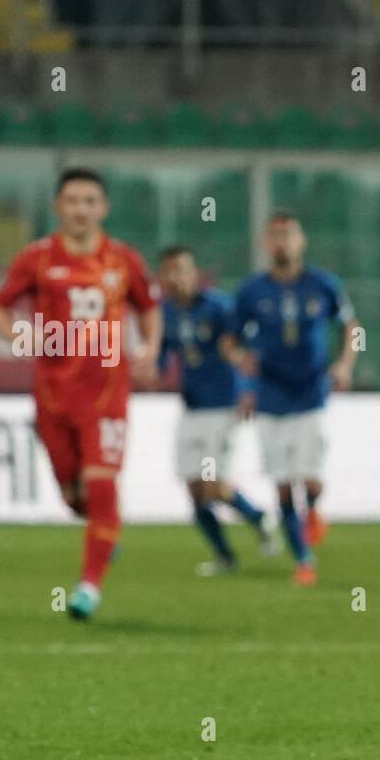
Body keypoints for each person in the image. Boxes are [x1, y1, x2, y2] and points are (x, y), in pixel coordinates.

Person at [0, 166, 161, 621]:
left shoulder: (124, 260)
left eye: (89, 201)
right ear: (57, 207)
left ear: (104, 208)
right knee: (74, 496)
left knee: (101, 483)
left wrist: (150, 347)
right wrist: (19, 336)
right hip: (53, 394)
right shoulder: (37, 258)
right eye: (72, 201)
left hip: (106, 393)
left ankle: (88, 587)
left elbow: (150, 307)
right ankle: (104, 531)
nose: (81, 210)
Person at [232, 213, 361, 586]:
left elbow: (351, 326)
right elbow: (231, 341)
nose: (281, 242)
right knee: (284, 485)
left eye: (288, 235)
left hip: (311, 395)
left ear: (301, 241)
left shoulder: (323, 284)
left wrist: (345, 365)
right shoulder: (253, 291)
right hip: (270, 398)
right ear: (264, 243)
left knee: (312, 482)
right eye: (274, 235)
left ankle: (315, 511)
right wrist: (242, 370)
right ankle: (304, 559)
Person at [157, 245, 276, 575]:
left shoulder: (221, 307)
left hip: (225, 406)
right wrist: (152, 370)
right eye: (169, 271)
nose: (176, 277)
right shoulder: (165, 313)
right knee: (195, 492)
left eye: (182, 269)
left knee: (213, 484)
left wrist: (250, 391)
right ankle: (226, 557)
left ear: (195, 273)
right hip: (191, 408)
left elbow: (245, 350)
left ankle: (258, 518)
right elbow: (162, 355)